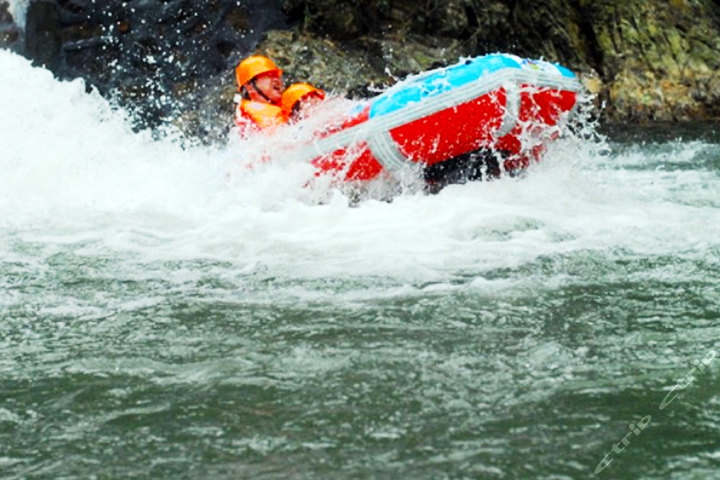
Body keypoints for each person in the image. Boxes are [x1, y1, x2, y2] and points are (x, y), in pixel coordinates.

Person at [233, 55, 286, 136]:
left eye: (277, 76)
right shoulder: (256, 112)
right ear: (249, 86)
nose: (277, 80)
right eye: (269, 75)